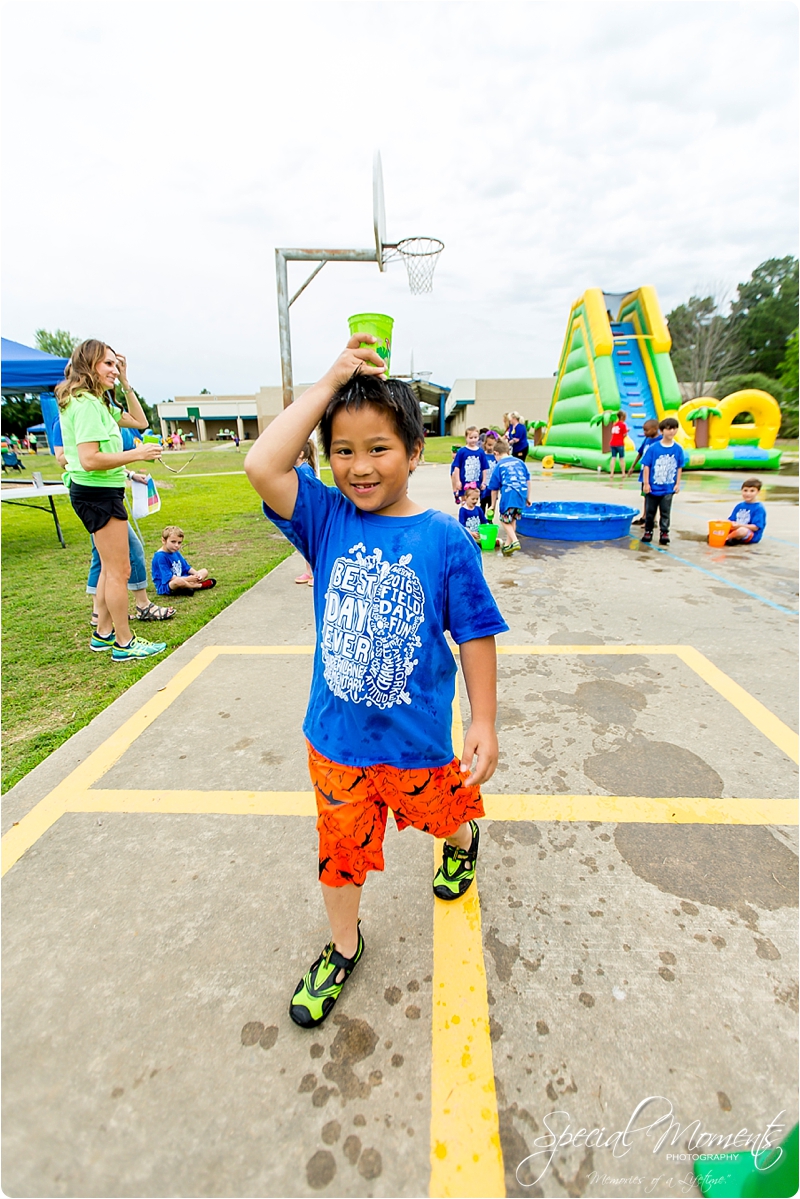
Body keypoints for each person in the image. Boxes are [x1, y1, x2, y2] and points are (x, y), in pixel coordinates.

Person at [243, 335, 508, 1029]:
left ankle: (461, 843)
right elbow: (261, 461)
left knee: (444, 816)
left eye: (379, 448)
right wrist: (332, 381)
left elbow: (474, 632)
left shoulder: (446, 539)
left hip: (419, 742)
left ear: (416, 452)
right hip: (335, 742)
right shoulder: (325, 518)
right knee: (341, 851)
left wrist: (482, 720)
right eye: (343, 450)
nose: (359, 467)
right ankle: (343, 944)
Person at [56, 340, 167, 661]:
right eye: (107, 364)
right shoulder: (87, 405)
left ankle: (103, 634)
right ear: (88, 365)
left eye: (116, 365)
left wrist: (127, 382)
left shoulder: (96, 403)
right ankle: (124, 642)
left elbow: (140, 421)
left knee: (109, 569)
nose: (114, 371)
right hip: (97, 493)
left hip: (100, 491)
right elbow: (90, 459)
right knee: (120, 570)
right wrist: (137, 454)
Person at [52, 416, 175, 624]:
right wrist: (132, 455)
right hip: (95, 493)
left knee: (103, 557)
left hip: (105, 490)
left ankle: (100, 616)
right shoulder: (76, 416)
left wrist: (129, 474)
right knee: (125, 554)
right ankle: (135, 609)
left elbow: (138, 422)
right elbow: (81, 458)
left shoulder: (101, 413)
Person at [640, 417, 685, 546]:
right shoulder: (654, 448)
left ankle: (664, 532)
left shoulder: (677, 449)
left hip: (668, 487)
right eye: (668, 429)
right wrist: (646, 483)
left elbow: (679, 466)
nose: (672, 431)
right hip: (653, 487)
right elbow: (647, 465)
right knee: (650, 512)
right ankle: (648, 531)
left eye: (674, 428)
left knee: (665, 512)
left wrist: (677, 484)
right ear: (662, 431)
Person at [488, 436, 532, 555]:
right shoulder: (520, 462)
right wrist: (528, 497)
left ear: (496, 453)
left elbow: (493, 489)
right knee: (512, 519)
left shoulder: (499, 465)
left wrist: (492, 505)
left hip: (509, 494)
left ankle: (515, 541)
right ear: (508, 451)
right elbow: (528, 480)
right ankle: (508, 546)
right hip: (521, 494)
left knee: (504, 519)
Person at [152, 526, 216, 596]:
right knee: (178, 582)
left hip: (183, 577)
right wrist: (189, 579)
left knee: (204, 571)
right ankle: (198, 586)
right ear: (164, 541)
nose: (176, 545)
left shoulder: (175, 551)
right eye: (173, 542)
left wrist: (197, 575)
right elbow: (169, 578)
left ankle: (187, 587)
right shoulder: (160, 556)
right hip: (168, 585)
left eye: (179, 543)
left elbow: (186, 567)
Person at [293, 439, 317, 585]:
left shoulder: (305, 470)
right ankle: (309, 572)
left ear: (301, 453)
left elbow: (309, 493)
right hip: (300, 513)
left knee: (309, 544)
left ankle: (314, 573)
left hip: (308, 513)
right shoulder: (297, 469)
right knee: (303, 544)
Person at [629, 419, 659, 525]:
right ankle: (645, 516)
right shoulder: (647, 440)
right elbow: (640, 453)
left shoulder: (659, 441)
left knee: (653, 497)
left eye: (647, 430)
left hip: (653, 475)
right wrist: (632, 466)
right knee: (646, 496)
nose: (645, 433)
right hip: (644, 474)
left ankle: (652, 519)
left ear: (655, 429)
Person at [451, 426, 490, 505]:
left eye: (475, 437)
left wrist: (484, 482)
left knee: (474, 501)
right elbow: (457, 467)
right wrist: (457, 481)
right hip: (464, 482)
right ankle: (464, 515)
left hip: (476, 482)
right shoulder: (462, 451)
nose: (473, 440)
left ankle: (472, 516)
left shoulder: (481, 452)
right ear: (466, 438)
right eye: (471, 438)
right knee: (465, 502)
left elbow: (484, 468)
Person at [725, 478, 766, 544]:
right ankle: (732, 539)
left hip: (751, 534)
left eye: (752, 491)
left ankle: (726, 539)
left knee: (742, 530)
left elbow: (756, 527)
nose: (748, 493)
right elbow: (731, 520)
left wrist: (739, 526)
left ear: (758, 492)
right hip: (736, 529)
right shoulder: (739, 505)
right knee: (721, 525)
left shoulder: (759, 508)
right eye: (745, 490)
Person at [481, 432, 500, 512]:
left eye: (493, 445)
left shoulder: (497, 457)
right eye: (489, 445)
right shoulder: (482, 455)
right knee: (483, 502)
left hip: (493, 484)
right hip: (485, 483)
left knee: (492, 503)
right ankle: (482, 520)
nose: (491, 447)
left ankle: (490, 519)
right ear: (485, 444)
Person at [608, 409, 628, 478]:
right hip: (619, 443)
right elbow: (624, 435)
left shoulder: (614, 424)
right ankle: (623, 473)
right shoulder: (623, 425)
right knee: (621, 458)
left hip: (613, 443)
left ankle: (611, 473)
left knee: (613, 458)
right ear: (622, 417)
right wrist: (626, 432)